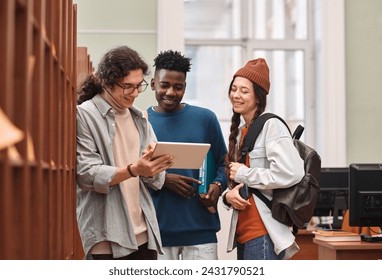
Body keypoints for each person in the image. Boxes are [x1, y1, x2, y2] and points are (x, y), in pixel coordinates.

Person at [76, 46, 174, 260]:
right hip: (106, 237)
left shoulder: (140, 118)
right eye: (127, 86)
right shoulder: (84, 115)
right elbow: (87, 174)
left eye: (139, 85)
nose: (135, 93)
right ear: (106, 82)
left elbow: (155, 180)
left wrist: (153, 167)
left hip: (144, 233)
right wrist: (133, 169)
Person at [147, 50, 227, 260]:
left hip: (202, 230)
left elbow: (224, 164)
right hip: (157, 232)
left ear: (185, 87)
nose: (171, 92)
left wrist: (218, 186)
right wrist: (163, 180)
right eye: (165, 85)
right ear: (153, 83)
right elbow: (131, 173)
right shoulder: (141, 122)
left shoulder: (205, 119)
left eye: (178, 86)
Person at [223, 58, 305, 260]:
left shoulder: (271, 126)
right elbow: (238, 181)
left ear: (258, 97)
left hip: (263, 235)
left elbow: (292, 172)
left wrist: (244, 173)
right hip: (244, 235)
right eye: (234, 89)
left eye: (244, 91)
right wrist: (228, 197)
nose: (236, 95)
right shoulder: (242, 131)